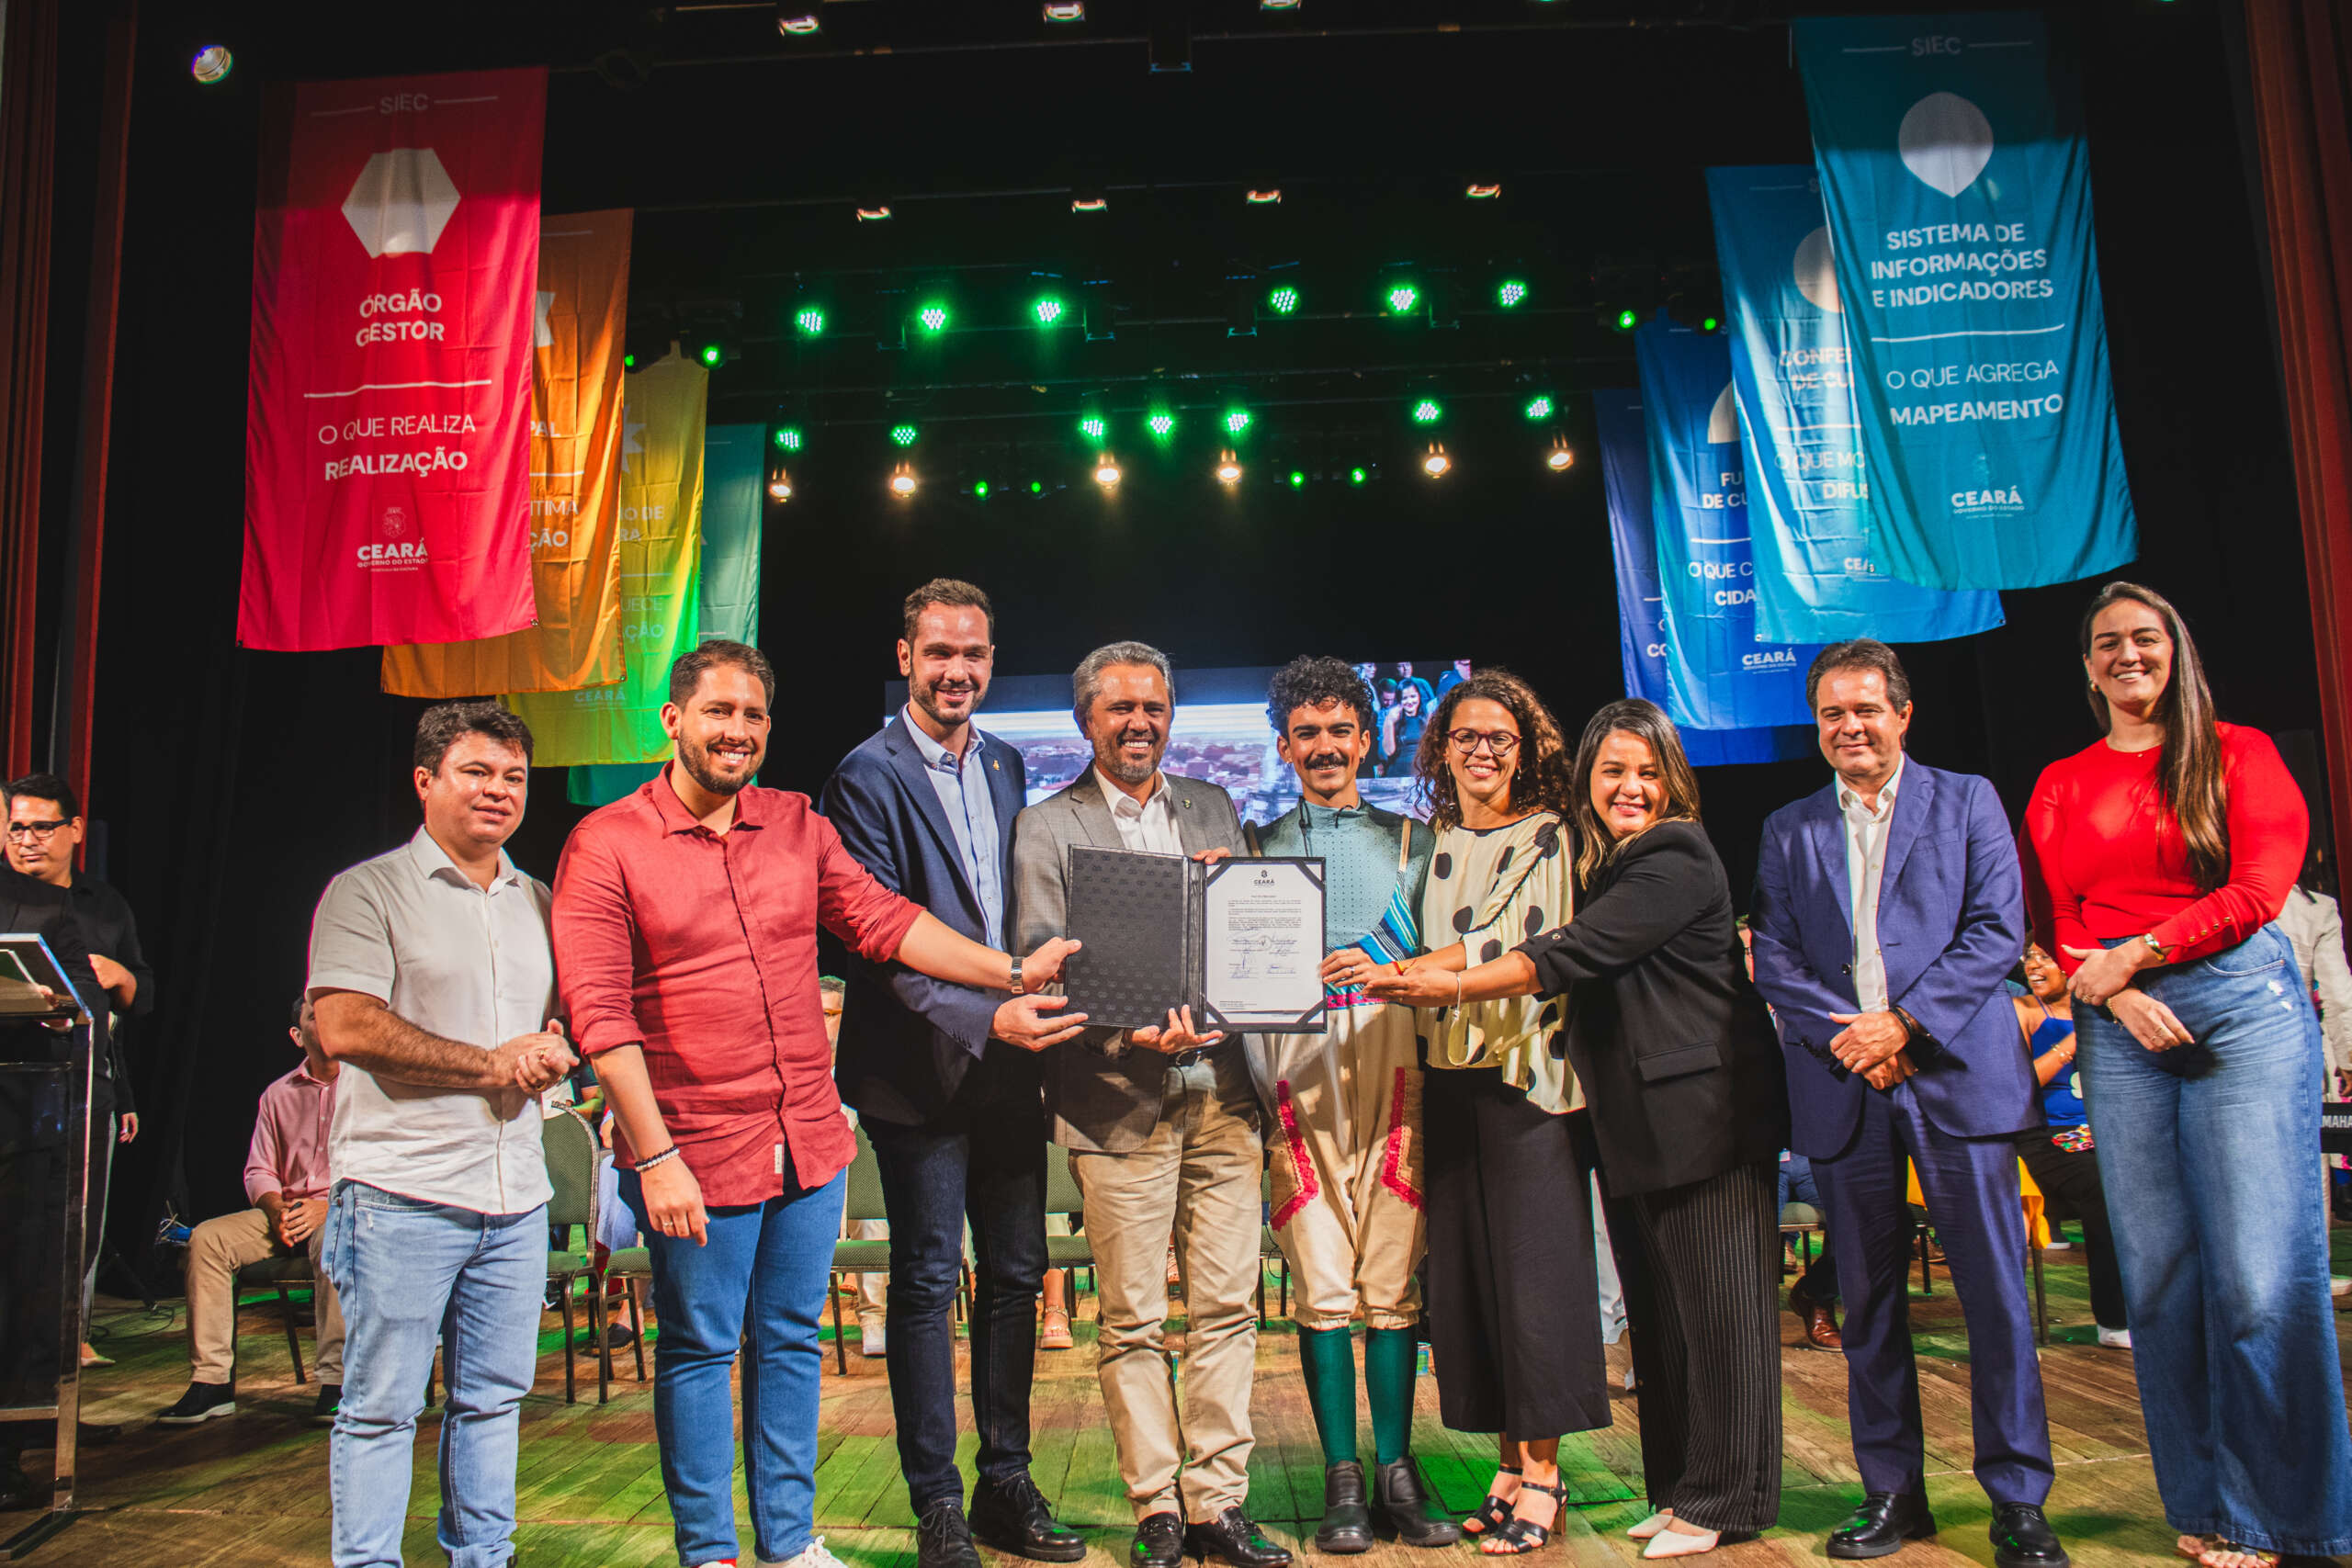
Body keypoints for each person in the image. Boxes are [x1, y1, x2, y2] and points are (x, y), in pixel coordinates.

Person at [553, 639, 1080, 1568]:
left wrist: (1007, 971)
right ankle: (711, 1551)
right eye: (719, 713)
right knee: (701, 1348)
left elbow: (883, 922)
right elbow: (598, 1017)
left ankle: (788, 1544)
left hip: (803, 1136)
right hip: (694, 1147)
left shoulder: (795, 823)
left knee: (792, 1340)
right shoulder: (607, 843)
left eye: (753, 716)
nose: (738, 732)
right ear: (673, 721)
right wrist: (655, 1153)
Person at [1376, 696, 1788, 1560]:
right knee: (1664, 1318)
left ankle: (1726, 1498)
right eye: (1613, 772)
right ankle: (1679, 1487)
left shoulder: (1672, 852)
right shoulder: (1610, 861)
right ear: (1588, 779)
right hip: (1640, 1125)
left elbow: (1564, 951)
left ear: (1674, 778)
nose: (1630, 787)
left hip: (1704, 1116)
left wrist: (1446, 987)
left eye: (1647, 771)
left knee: (1720, 1317)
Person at [2025, 581, 2352, 1568]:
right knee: (2162, 1279)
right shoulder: (2060, 781)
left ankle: (2287, 1514)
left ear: (2175, 651)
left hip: (2237, 1006)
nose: (2126, 654)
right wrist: (2114, 989)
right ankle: (2208, 1504)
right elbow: (2066, 918)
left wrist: (2137, 955)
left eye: (2144, 638)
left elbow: (2259, 888)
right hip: (2120, 1024)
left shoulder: (2238, 753)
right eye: (2106, 643)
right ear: (2087, 666)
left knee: (2259, 1275)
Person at [1750, 639, 2063, 1568]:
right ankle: (1892, 1493)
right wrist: (1858, 1035)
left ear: (1902, 715)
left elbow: (1994, 931)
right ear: (1817, 727)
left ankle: (2016, 1501)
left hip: (1957, 1082)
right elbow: (1774, 956)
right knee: (1869, 1306)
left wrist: (1905, 1028)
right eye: (1833, 714)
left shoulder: (1966, 800)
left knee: (1995, 1301)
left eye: (1867, 709)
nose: (1851, 726)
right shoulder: (1787, 826)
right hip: (1848, 1088)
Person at [820, 580, 1090, 1568]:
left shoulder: (1011, 762)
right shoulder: (864, 772)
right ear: (905, 658)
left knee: (1018, 1276)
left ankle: (1004, 1484)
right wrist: (992, 1014)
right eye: (937, 653)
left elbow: (1023, 915)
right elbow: (878, 942)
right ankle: (935, 1500)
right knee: (928, 1281)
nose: (956, 672)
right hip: (918, 1069)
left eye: (972, 654)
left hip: (1012, 1064)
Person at [1010, 641, 1290, 1568]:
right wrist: (1128, 1036)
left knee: (1226, 1311)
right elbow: (1042, 956)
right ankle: (1155, 1509)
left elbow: (1250, 939)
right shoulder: (1047, 826)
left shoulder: (1211, 806)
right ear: (1085, 720)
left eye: (1154, 708)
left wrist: (1233, 895)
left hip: (1224, 1100)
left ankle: (1217, 1504)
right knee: (1130, 1319)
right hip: (1115, 1099)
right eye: (1120, 708)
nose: (1139, 723)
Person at [306, 702, 577, 1568]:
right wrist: (492, 1065)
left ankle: (481, 1559)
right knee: (381, 1406)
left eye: (514, 777)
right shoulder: (366, 890)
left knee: (493, 1403)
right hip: (401, 1194)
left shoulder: (541, 900)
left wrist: (557, 1049)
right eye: (477, 772)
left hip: (515, 1195)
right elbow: (346, 1025)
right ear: (424, 781)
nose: (498, 791)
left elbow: (564, 1024)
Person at [1361, 670, 1600, 1558]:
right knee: (1478, 1289)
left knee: (1537, 1289)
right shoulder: (1440, 840)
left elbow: (1516, 942)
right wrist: (1312, 959)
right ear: (1441, 748)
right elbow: (1391, 931)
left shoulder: (1551, 835)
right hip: (1452, 1082)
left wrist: (1415, 972)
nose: (1483, 751)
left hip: (1526, 1085)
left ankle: (1546, 1474)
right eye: (1466, 737)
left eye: (1500, 736)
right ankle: (1507, 1464)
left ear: (1527, 746)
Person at [1246, 657, 1456, 1552]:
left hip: (1396, 1070)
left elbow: (1453, 961)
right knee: (1322, 1278)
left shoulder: (1418, 843)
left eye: (1341, 731)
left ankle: (1398, 1474)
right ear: (1284, 744)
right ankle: (1341, 1478)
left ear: (1368, 739)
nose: (1325, 747)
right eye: (1307, 732)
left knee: (1390, 1278)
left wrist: (1392, 969)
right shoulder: (1251, 850)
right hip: (1294, 1074)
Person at [7, 772, 153, 1365]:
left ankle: (67, 1339)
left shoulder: (104, 906)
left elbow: (141, 995)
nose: (28, 839)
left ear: (73, 830)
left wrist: (118, 978)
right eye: (17, 826)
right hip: (15, 1082)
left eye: (43, 826)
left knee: (77, 1221)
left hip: (84, 1083)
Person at [157, 997, 345, 1425]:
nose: (328, 1021)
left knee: (338, 1237)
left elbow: (383, 1167)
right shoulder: (278, 1094)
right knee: (208, 1238)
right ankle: (212, 1383)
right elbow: (259, 1168)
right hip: (285, 1210)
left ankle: (338, 1380)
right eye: (314, 1016)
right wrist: (276, 1206)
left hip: (342, 1209)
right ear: (298, 1036)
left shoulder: (368, 1092)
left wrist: (325, 1207)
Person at [0, 863, 97, 1511]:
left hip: (13, 1137)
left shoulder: (47, 910)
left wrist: (60, 1010)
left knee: (9, 1296)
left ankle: (5, 1457)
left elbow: (83, 1003)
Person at [2008, 945, 2127, 1348]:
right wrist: (2072, 1043)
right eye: (2029, 958)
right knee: (2101, 1188)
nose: (2034, 966)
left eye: (2044, 957)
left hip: (2106, 1127)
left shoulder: (2108, 1002)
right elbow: (2016, 1086)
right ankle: (2113, 1319)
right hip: (2044, 1135)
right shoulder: (2022, 1010)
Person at [818, 976, 888, 1357]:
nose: (818, 1023)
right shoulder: (799, 1075)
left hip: (858, 1186)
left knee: (870, 1209)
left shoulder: (864, 1070)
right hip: (814, 1184)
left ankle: (873, 1316)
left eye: (828, 1014)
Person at [1777, 1152, 1842, 1351]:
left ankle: (1815, 1294)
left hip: (1809, 1155)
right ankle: (1744, 1322)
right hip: (1758, 1155)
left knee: (1855, 1216)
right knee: (1751, 1224)